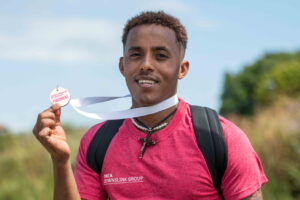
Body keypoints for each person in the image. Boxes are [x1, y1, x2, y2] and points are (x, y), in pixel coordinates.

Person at [33, 11, 268, 200]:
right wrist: (60, 160)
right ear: (122, 66)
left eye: (161, 56)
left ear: (182, 69)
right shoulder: (96, 142)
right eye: (136, 55)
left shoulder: (222, 138)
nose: (146, 65)